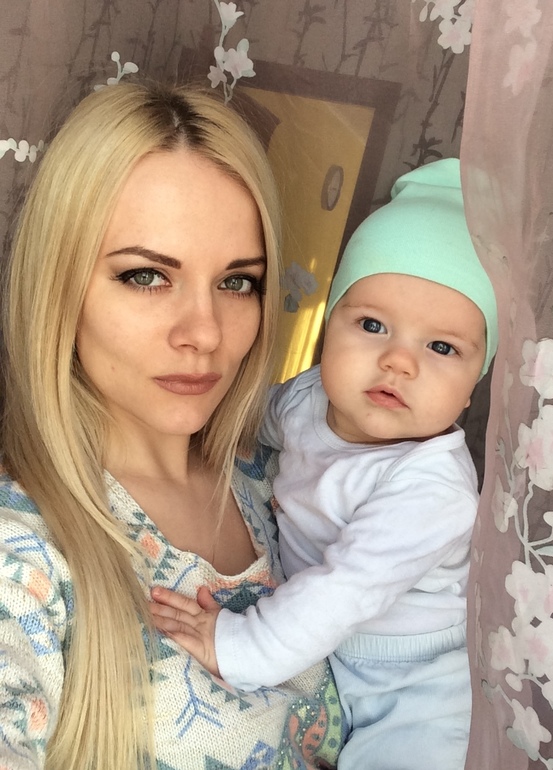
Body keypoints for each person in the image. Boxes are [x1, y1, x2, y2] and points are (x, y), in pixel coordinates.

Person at [0, 82, 346, 770]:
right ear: (59, 285)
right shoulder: (22, 550)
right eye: (146, 276)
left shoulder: (282, 485)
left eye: (237, 282)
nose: (205, 333)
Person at [150, 158, 499, 770]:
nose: (399, 362)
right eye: (372, 324)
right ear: (326, 329)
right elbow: (245, 420)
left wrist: (240, 647)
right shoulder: (310, 398)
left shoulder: (434, 488)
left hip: (415, 683)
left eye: (442, 347)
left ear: (473, 387)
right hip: (331, 654)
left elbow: (344, 591)